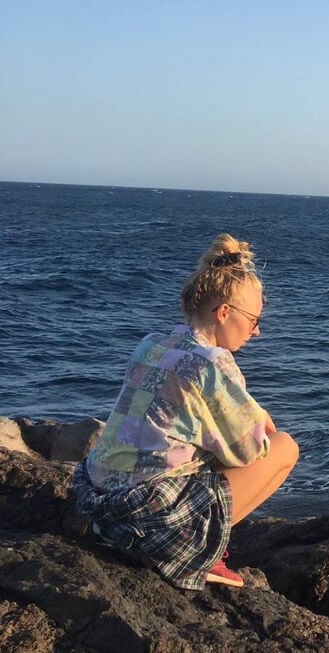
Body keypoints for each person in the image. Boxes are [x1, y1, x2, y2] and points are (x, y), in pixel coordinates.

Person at [69, 234, 299, 590]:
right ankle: (207, 553)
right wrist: (258, 418)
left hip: (101, 511)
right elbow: (248, 451)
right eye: (254, 320)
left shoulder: (151, 344)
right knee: (284, 447)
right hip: (149, 525)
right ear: (225, 312)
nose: (257, 332)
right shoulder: (214, 363)